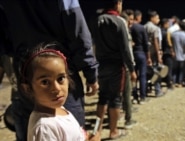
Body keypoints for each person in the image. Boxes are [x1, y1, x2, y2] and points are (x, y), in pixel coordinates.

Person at [0, 1, 99, 140]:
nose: (56, 88)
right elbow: (78, 31)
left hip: (27, 74)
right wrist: (91, 73)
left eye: (61, 80)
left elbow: (4, 43)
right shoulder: (44, 125)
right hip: (58, 65)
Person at [18, 42, 100, 141]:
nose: (56, 88)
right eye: (45, 82)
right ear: (28, 88)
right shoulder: (45, 128)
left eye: (60, 78)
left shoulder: (58, 109)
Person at [91, 0, 137, 139]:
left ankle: (96, 131)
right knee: (115, 98)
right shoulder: (119, 21)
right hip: (116, 65)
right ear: (117, 4)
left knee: (102, 97)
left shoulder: (96, 20)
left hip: (100, 64)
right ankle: (113, 131)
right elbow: (125, 48)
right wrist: (132, 68)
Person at [130, 10, 152, 104]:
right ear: (138, 17)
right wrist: (148, 56)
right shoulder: (141, 28)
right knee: (142, 75)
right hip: (141, 52)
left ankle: (135, 96)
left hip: (132, 54)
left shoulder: (129, 27)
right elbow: (146, 44)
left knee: (133, 76)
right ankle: (142, 96)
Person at [144, 10, 165, 97]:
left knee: (146, 72)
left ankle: (145, 90)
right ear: (152, 18)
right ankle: (157, 90)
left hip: (145, 52)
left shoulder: (144, 27)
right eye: (157, 18)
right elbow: (156, 42)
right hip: (153, 53)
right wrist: (159, 54)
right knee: (157, 72)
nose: (158, 20)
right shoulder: (155, 28)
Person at [171, 23, 185, 87]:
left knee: (174, 70)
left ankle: (173, 82)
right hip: (183, 55)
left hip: (175, 54)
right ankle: (180, 82)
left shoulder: (173, 34)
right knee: (182, 70)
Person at [160, 18, 175, 90]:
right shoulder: (166, 33)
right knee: (169, 69)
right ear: (165, 24)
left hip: (162, 52)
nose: (169, 25)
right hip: (167, 52)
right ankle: (169, 83)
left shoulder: (160, 31)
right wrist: (172, 51)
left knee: (164, 69)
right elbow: (169, 43)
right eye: (168, 24)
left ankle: (163, 82)